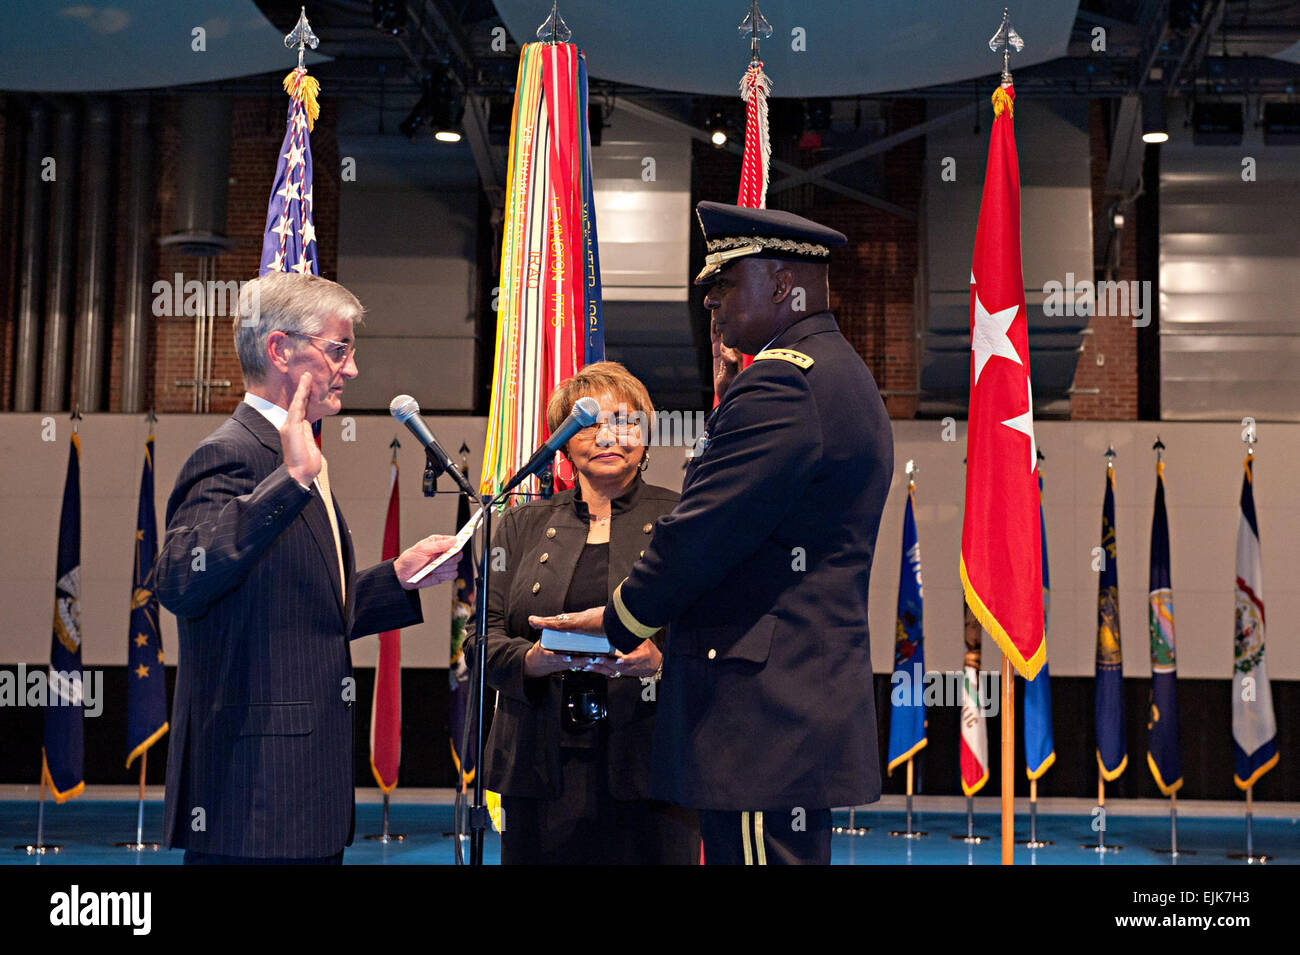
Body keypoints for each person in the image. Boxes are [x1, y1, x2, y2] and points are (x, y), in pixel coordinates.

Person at [536, 202, 894, 865]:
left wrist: (621, 617)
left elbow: (700, 529)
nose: (710, 300)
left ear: (783, 283)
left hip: (761, 712)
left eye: (726, 282)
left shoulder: (784, 385)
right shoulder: (833, 373)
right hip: (789, 700)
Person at [155, 271, 459, 864]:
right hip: (252, 796)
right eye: (339, 348)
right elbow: (177, 581)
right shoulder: (234, 453)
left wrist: (395, 577)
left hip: (299, 793)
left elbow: (302, 611)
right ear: (280, 350)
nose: (351, 368)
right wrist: (288, 482)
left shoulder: (297, 457)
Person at [481, 361, 699, 864]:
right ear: (563, 440)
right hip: (537, 768)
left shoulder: (683, 517)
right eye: (590, 422)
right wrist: (535, 661)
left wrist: (659, 661)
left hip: (653, 764)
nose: (609, 436)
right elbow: (481, 639)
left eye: (624, 421)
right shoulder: (518, 524)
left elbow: (714, 636)